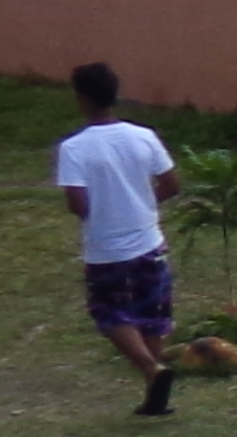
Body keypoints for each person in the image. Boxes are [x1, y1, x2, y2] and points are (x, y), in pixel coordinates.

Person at [55, 62, 183, 417]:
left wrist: (105, 212)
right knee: (151, 314)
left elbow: (77, 204)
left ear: (82, 98)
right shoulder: (144, 136)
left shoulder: (74, 148)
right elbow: (171, 184)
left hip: (106, 249)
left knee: (109, 312)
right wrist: (140, 205)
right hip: (150, 241)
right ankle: (155, 393)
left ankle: (150, 368)